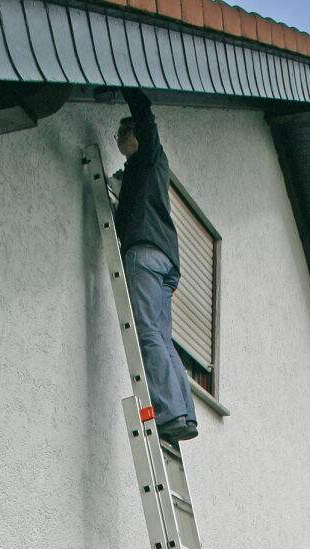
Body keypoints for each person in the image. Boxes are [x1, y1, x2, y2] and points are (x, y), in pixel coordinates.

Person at [114, 89, 198, 446]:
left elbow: (146, 123)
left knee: (147, 332)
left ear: (134, 133)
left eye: (121, 133)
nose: (117, 140)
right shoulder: (144, 170)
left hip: (146, 254)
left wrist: (131, 88)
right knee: (162, 338)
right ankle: (184, 415)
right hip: (165, 259)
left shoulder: (149, 155)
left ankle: (168, 412)